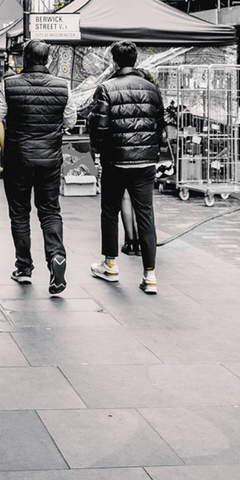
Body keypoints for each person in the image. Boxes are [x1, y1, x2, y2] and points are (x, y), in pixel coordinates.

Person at [0, 39, 76, 294]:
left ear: (25, 58)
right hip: (50, 160)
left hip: (18, 159)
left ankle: (24, 268)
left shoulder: (8, 84)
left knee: (19, 214)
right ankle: (56, 256)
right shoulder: (63, 85)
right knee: (49, 211)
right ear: (47, 59)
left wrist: (7, 148)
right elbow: (70, 121)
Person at [88, 41, 170, 294]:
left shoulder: (106, 88)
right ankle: (150, 275)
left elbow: (99, 127)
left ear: (114, 61)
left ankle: (110, 264)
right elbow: (161, 125)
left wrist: (98, 150)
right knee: (145, 213)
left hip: (116, 160)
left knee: (109, 211)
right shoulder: (152, 89)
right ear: (136, 60)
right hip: (146, 161)